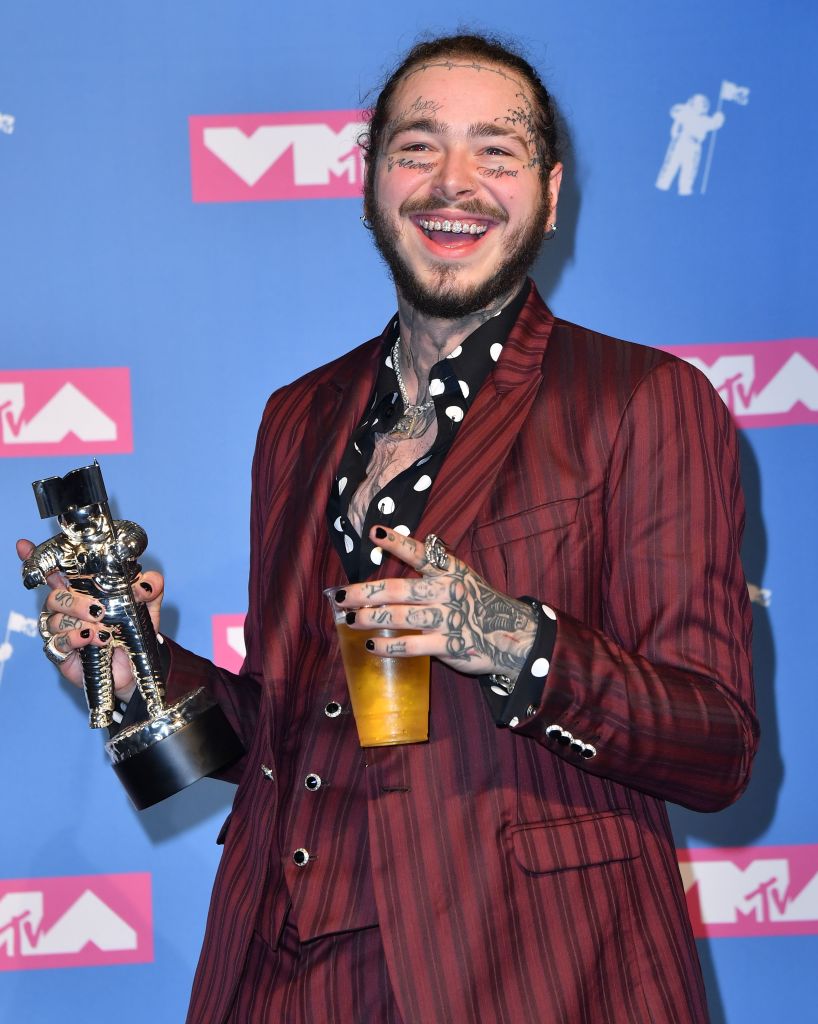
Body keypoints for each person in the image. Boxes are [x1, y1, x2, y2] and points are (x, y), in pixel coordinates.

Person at [19, 32, 757, 1024]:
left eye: (495, 151)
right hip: (279, 969)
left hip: (529, 972)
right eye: (418, 148)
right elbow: (287, 729)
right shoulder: (299, 414)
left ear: (548, 191)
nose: (452, 182)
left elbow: (713, 745)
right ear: (369, 181)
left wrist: (509, 639)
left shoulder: (642, 399)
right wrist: (134, 668)